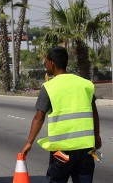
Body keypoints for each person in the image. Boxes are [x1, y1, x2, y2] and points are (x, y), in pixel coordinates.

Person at [21, 47, 101, 183]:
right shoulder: (85, 84)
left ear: (51, 63)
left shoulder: (49, 87)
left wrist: (29, 143)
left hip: (62, 153)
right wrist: (97, 135)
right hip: (85, 149)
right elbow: (94, 112)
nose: (46, 65)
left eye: (46, 62)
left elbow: (39, 117)